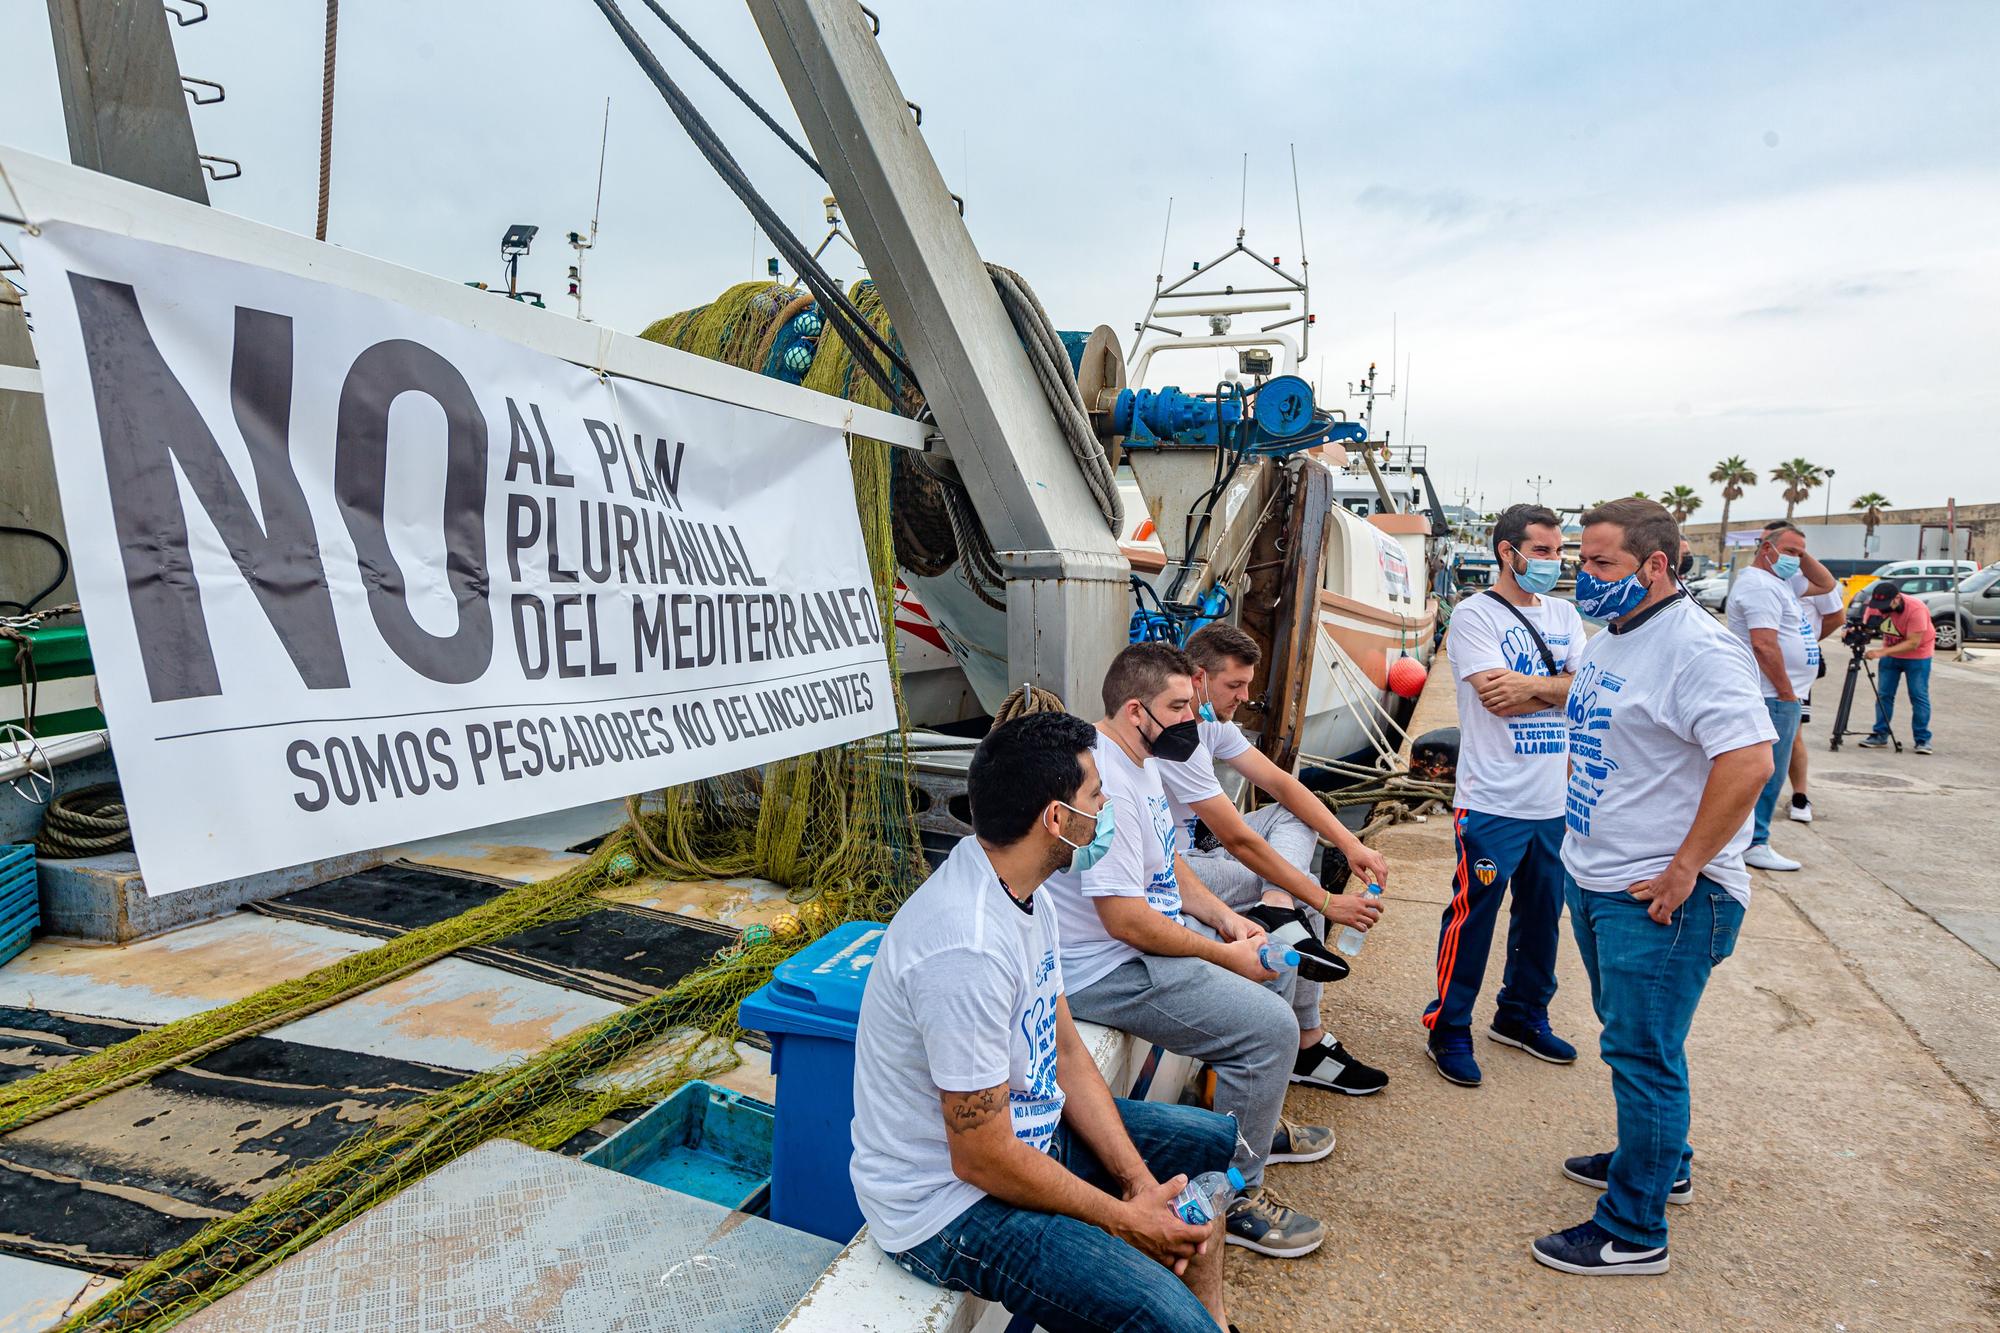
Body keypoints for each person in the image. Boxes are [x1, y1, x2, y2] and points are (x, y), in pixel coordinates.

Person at [850, 711, 1240, 1333]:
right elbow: (981, 1158)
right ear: (1056, 819)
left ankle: (1213, 1317)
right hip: (951, 1208)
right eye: (1095, 794)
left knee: (1207, 1147)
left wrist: (1136, 1183)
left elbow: (1061, 1046)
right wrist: (1125, 1218)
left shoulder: (1028, 889)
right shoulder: (966, 948)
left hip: (1030, 1133)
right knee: (1163, 1317)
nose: (1107, 803)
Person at [1534, 497, 1775, 1276]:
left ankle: (1633, 1231)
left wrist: (1684, 867)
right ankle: (1661, 1163)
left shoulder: (1700, 649)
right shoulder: (1614, 638)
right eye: (1582, 563)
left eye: (1601, 564)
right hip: (1599, 877)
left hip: (1664, 897)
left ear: (1656, 564)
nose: (1586, 578)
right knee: (1631, 1036)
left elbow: (1748, 761)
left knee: (1643, 1053)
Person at [1045, 642, 1335, 1260]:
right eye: (1179, 706)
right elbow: (1125, 920)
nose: (1193, 719)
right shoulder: (1106, 781)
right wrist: (1222, 957)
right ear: (1134, 710)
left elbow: (1167, 865)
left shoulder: (1142, 760)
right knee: (1271, 1029)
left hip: (1140, 941)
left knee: (1272, 961)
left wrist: (1229, 921)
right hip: (1106, 966)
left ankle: (1237, 1123)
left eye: (1193, 703)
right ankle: (1239, 1198)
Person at [1158, 622, 1391, 1097]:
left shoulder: (1212, 726)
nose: (1245, 696)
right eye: (1235, 685)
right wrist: (1324, 901)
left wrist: (1351, 844)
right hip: (1177, 869)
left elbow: (1284, 785)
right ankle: (1303, 1043)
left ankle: (1278, 910)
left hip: (1207, 851)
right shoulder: (1177, 740)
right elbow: (1240, 842)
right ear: (1198, 678)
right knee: (1297, 901)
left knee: (1293, 822)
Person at [1422, 504, 1585, 1088]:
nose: (1552, 561)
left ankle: (1521, 1016)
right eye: (1541, 550)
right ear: (1507, 552)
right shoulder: (1474, 616)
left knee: (1544, 920)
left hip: (1554, 803)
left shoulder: (1565, 613)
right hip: (1493, 802)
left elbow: (1585, 692)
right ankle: (1449, 1028)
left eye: (1556, 550)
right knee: (1473, 920)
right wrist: (1559, 689)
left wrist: (1540, 689)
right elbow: (1496, 697)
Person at [1722, 520, 1835, 872]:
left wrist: (1798, 553)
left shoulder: (1781, 582)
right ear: (1765, 549)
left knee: (1770, 769)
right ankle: (1754, 841)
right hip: (1770, 694)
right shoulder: (1760, 586)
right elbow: (1764, 644)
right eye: (1787, 552)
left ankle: (1752, 838)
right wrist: (1786, 692)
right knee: (1766, 772)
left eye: (1799, 553)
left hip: (1782, 693)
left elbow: (1826, 584)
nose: (1795, 560)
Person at [1785, 566, 1849, 822]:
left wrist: (1806, 643)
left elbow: (1836, 617)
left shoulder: (1811, 581)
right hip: (1760, 669)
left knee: (1793, 735)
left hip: (1794, 675)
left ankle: (1800, 796)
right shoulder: (1764, 579)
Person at [1860, 579, 1935, 754]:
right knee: (1884, 695)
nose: (1882, 608)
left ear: (1897, 598)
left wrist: (1881, 652)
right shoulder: (1875, 606)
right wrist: (1855, 631)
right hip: (1890, 654)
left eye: (1886, 604)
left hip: (1918, 656)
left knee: (1918, 695)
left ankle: (1922, 739)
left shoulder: (1916, 609)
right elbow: (1867, 628)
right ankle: (1880, 734)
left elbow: (1913, 643)